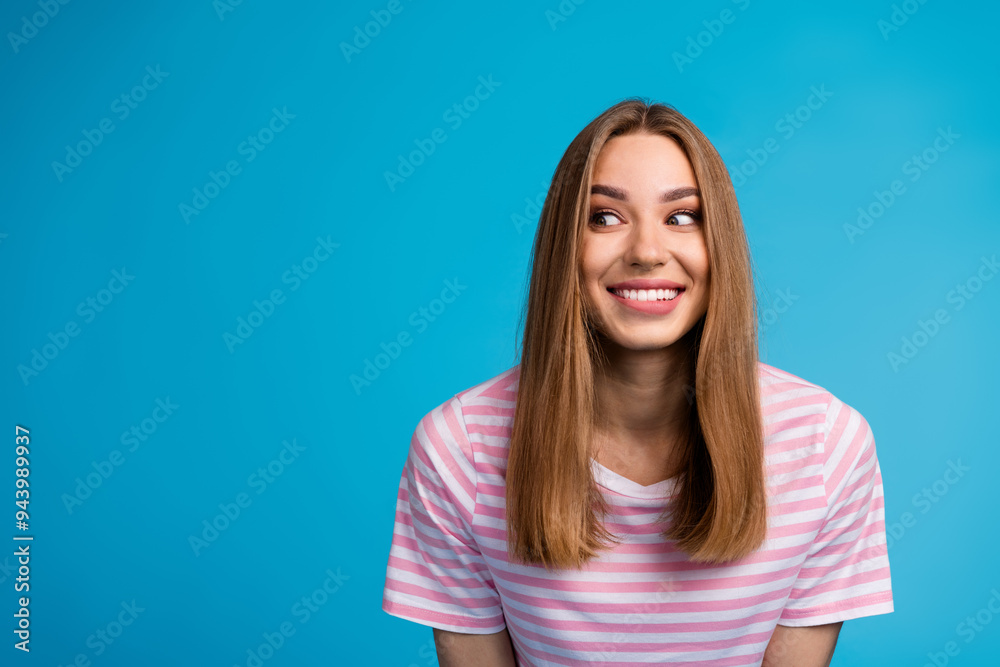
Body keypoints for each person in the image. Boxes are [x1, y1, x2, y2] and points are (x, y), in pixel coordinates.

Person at [381, 98, 893, 666]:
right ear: (563, 249)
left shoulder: (825, 445)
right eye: (604, 217)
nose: (648, 252)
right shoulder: (459, 448)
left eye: (682, 217)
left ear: (719, 243)